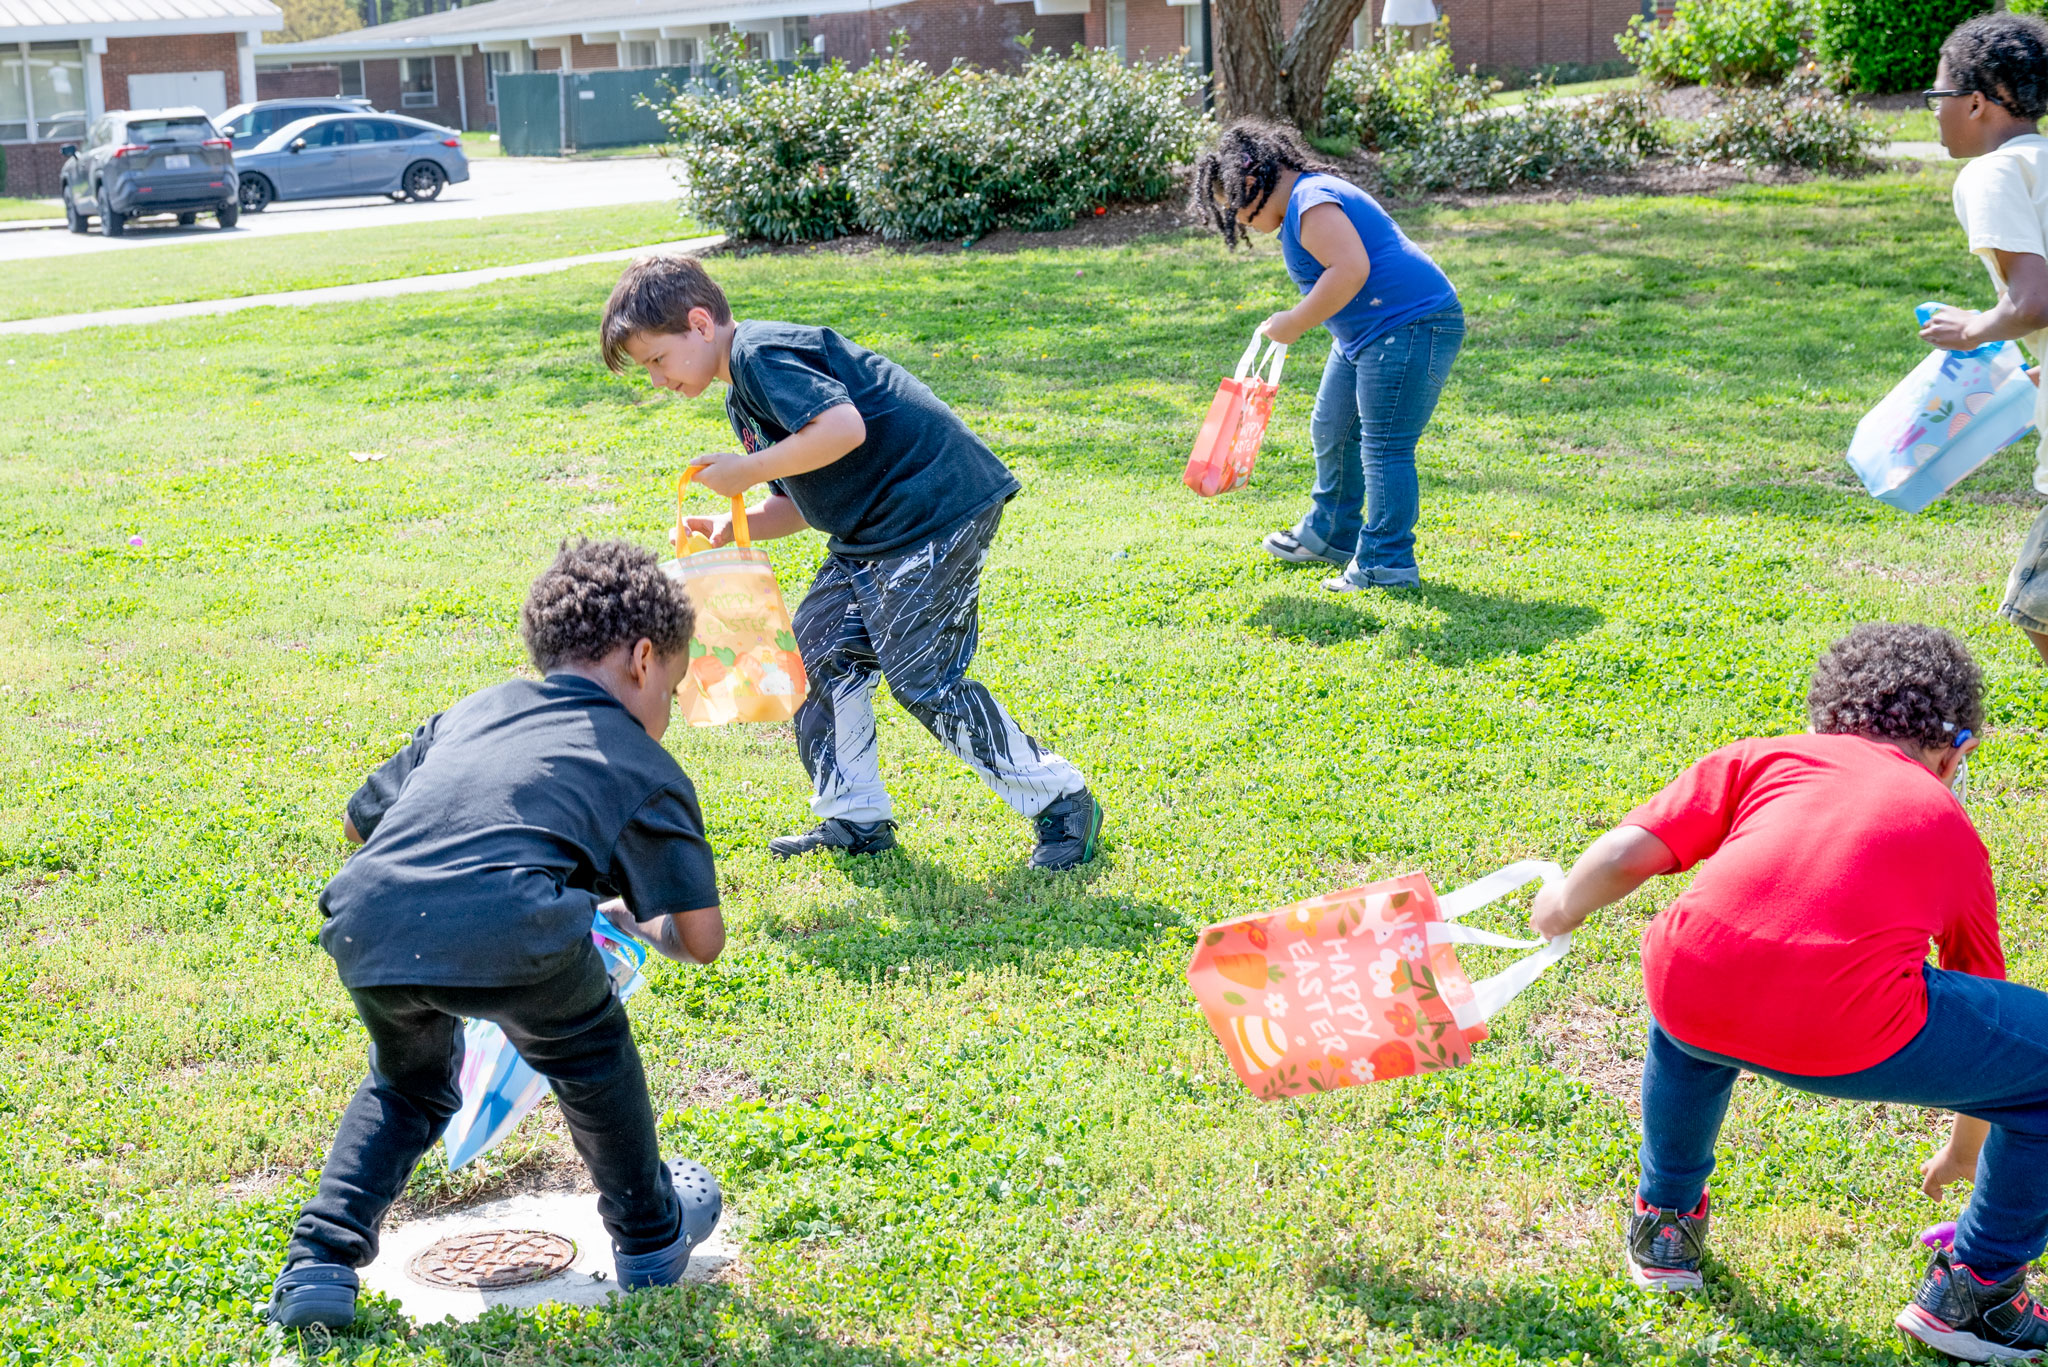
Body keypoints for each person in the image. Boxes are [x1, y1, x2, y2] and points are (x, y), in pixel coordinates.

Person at [1525, 623, 2048, 1362]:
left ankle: (1664, 1223)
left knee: (1696, 998)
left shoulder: (1765, 755)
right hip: (1847, 1028)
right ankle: (1978, 1291)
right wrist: (1967, 1148)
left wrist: (1563, 906)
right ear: (1954, 750)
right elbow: (1981, 995)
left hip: (1691, 987)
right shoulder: (1948, 822)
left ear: (1826, 718)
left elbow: (1623, 851)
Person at [264, 540, 727, 1330]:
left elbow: (356, 820)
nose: (670, 713)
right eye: (676, 690)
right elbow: (701, 936)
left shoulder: (474, 708)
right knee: (590, 1059)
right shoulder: (643, 765)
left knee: (407, 1084)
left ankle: (319, 1260)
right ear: (644, 658)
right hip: (520, 933)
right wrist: (622, 921)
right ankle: (651, 1238)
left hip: (371, 922)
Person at [599, 256, 1105, 871]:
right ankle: (856, 815)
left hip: (931, 512)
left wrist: (746, 471)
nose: (656, 380)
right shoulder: (743, 400)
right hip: (869, 533)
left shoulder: (762, 354)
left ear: (700, 323)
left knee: (923, 676)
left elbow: (843, 428)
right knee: (814, 656)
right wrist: (731, 524)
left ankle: (1061, 801)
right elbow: (801, 505)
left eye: (656, 360)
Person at [1191, 121, 1463, 593]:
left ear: (1253, 181)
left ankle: (1386, 563)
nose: (1237, 220)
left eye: (1235, 206)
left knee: (1384, 447)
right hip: (1368, 335)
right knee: (1333, 427)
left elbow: (1350, 269)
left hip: (1412, 326)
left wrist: (1294, 321)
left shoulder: (1311, 200)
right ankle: (1332, 533)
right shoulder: (1302, 202)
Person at [1921, 11, 2048, 668]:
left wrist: (1969, 330)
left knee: (2038, 604)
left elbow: (2032, 301)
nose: (1933, 112)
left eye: (1937, 97)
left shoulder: (1992, 174)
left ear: (1976, 102)